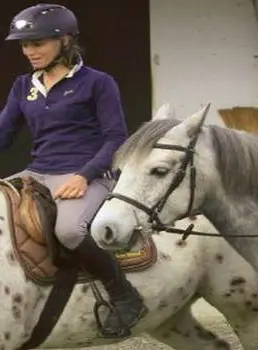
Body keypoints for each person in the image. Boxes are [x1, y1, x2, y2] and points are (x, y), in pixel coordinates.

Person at [2, 4, 147, 337]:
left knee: (69, 231)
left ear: (65, 41)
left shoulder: (98, 83)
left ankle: (125, 296)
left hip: (89, 173)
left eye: (37, 43)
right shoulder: (24, 86)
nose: (29, 51)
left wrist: (83, 176)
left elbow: (116, 139)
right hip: (36, 172)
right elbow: (4, 132)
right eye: (24, 45)